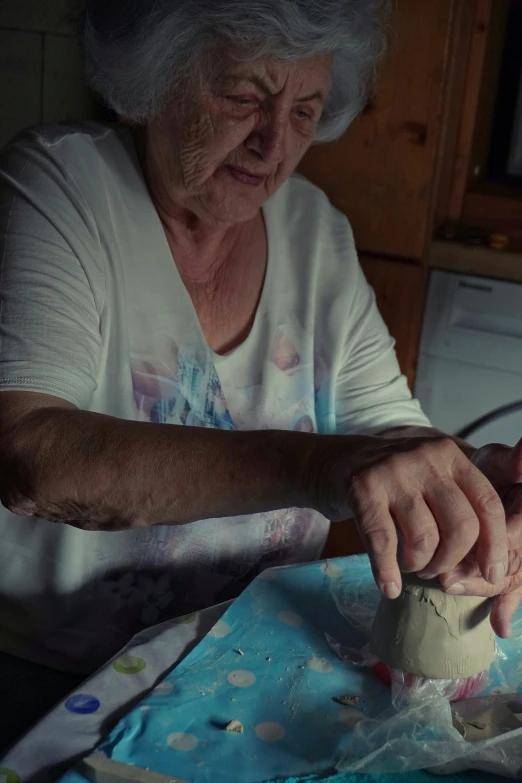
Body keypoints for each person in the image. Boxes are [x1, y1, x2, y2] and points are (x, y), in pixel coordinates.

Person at [0, 0, 521, 697]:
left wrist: (479, 483)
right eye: (244, 97)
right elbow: (29, 453)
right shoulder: (59, 187)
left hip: (243, 660)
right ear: (150, 84)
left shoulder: (314, 231)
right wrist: (314, 466)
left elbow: (390, 432)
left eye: (305, 112)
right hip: (56, 677)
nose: (273, 144)